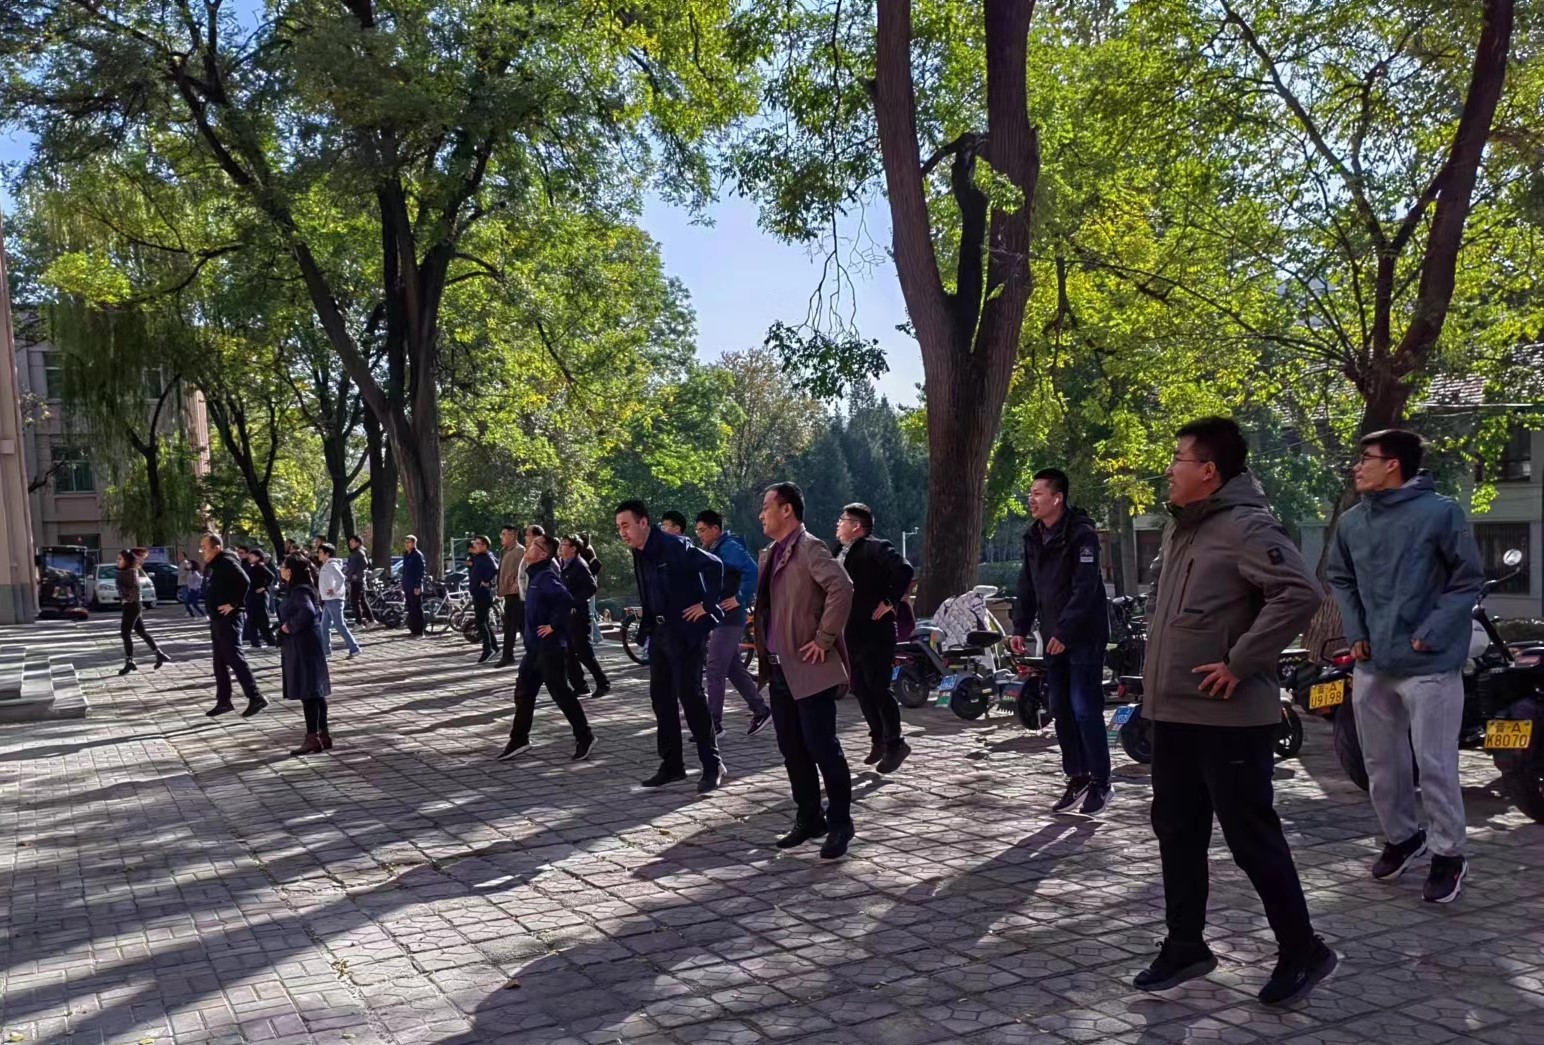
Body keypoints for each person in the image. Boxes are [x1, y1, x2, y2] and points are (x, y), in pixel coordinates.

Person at [1134, 417, 1333, 1007]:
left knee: (1250, 838)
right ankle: (1185, 945)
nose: (1170, 468)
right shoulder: (1184, 529)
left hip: (1229, 719)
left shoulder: (1246, 525)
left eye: (1178, 458)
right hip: (1175, 712)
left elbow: (1300, 592)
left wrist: (1240, 661)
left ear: (1209, 470)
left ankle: (1303, 949)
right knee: (1177, 829)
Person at [1327, 429, 1483, 904]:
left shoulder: (1441, 513)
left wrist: (1432, 631)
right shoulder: (1352, 522)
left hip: (1430, 661)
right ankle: (1402, 837)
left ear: (1393, 464)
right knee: (1381, 763)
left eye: (1365, 459)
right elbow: (1340, 578)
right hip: (1373, 661)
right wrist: (1356, 632)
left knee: (1434, 763)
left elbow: (1467, 581)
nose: (1357, 467)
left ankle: (1448, 853)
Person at [754, 482, 856, 859]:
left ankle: (840, 823)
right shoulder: (770, 553)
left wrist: (824, 638)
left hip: (810, 667)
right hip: (779, 669)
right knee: (792, 750)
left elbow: (842, 588)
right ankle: (809, 817)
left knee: (822, 747)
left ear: (787, 510)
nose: (761, 514)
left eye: (766, 507)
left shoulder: (809, 547)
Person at [1009, 469, 1113, 814]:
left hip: (1083, 636)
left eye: (1038, 493)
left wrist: (1065, 632)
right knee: (1060, 708)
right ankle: (1077, 777)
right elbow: (1027, 585)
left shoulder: (1082, 535)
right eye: (1030, 493)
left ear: (1058, 498)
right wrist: (1020, 627)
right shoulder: (1033, 536)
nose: (1031, 499)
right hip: (1054, 635)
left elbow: (1085, 589)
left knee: (1084, 708)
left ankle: (1101, 782)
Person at [616, 499, 727, 791]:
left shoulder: (674, 545)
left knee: (690, 695)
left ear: (643, 522)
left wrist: (707, 604)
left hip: (686, 632)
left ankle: (712, 765)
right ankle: (672, 765)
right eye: (619, 527)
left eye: (626, 525)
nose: (622, 532)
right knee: (661, 697)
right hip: (660, 633)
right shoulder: (638, 552)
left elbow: (715, 565)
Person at [497, 534, 596, 762]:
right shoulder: (535, 575)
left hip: (549, 648)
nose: (529, 546)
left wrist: (554, 625)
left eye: (535, 545)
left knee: (561, 693)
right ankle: (519, 739)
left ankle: (585, 736)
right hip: (534, 649)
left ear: (543, 554)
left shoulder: (545, 577)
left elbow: (566, 600)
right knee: (523, 693)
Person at [833, 503, 915, 774]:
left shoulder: (875, 547)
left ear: (857, 526)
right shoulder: (837, 551)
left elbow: (904, 570)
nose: (838, 524)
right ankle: (878, 737)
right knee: (859, 687)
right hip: (851, 631)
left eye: (843, 520)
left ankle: (895, 743)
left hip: (876, 631)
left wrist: (890, 600)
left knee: (878, 687)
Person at [695, 510, 773, 737]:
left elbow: (753, 571)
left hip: (729, 618)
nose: (699, 534)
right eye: (698, 530)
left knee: (714, 669)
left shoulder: (729, 548)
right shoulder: (714, 549)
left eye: (703, 530)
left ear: (716, 529)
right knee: (733, 668)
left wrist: (739, 598)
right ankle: (761, 710)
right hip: (719, 616)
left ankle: (713, 724)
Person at [201, 533, 267, 718]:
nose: (202, 551)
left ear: (216, 548)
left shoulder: (226, 561)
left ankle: (256, 697)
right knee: (219, 662)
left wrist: (233, 604)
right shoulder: (215, 563)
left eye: (205, 547)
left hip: (229, 619)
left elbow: (245, 581)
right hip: (217, 618)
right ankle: (224, 701)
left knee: (235, 658)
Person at [277, 553, 334, 755]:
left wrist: (288, 627)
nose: (280, 569)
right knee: (316, 692)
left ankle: (313, 737)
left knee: (309, 692)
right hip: (307, 642)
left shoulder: (300, 591)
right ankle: (323, 734)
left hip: (302, 644)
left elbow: (307, 612)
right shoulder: (300, 588)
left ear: (290, 571)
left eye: (283, 566)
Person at [558, 535, 610, 697]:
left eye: (565, 544)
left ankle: (603, 683)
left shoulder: (579, 565)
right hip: (567, 614)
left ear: (573, 548)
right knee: (569, 652)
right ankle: (580, 686)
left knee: (583, 652)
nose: (561, 546)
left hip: (578, 615)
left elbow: (591, 587)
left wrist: (574, 602)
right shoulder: (564, 564)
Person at [115, 549, 168, 675]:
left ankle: (129, 662)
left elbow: (134, 589)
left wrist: (124, 596)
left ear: (127, 561)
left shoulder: (131, 572)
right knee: (141, 631)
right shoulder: (125, 572)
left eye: (120, 559)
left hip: (132, 606)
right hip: (133, 605)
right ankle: (159, 654)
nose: (118, 561)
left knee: (125, 633)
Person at [316, 543, 362, 659]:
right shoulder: (327, 565)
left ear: (327, 554)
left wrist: (335, 590)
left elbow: (341, 578)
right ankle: (326, 652)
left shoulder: (331, 565)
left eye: (320, 552)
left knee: (339, 625)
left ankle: (354, 648)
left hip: (334, 600)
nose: (318, 554)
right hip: (328, 600)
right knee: (324, 626)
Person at [468, 536, 501, 663]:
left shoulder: (486, 557)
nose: (474, 545)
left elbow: (494, 568)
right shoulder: (479, 557)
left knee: (480, 622)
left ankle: (487, 649)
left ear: (484, 545)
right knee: (484, 621)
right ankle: (494, 646)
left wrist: (486, 580)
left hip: (483, 594)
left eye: (477, 543)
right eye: (474, 543)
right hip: (478, 593)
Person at [496, 524, 525, 667]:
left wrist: (518, 583)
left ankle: (508, 656)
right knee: (514, 626)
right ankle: (509, 655)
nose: (501, 537)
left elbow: (525, 570)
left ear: (513, 535)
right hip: (507, 593)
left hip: (516, 595)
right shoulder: (504, 551)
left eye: (504, 534)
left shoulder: (520, 551)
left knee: (513, 626)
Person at [244, 549, 279, 648]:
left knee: (262, 620)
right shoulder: (252, 567)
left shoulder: (260, 566)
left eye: (252, 556)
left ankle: (271, 641)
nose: (250, 558)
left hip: (259, 597)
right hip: (251, 596)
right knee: (252, 620)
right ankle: (255, 643)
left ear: (258, 557)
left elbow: (271, 576)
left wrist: (264, 587)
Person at [345, 535, 375, 627]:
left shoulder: (359, 552)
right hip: (357, 580)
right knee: (362, 600)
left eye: (352, 541)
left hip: (357, 581)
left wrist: (356, 575)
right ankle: (371, 620)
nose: (350, 543)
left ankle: (359, 622)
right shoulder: (356, 552)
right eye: (350, 541)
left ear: (358, 543)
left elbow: (364, 565)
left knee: (355, 601)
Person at [400, 535, 427, 636]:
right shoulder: (406, 555)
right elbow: (405, 571)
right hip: (407, 585)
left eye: (409, 542)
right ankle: (413, 630)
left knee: (417, 608)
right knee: (411, 608)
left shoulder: (417, 555)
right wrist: (403, 583)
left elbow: (420, 572)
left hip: (414, 586)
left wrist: (418, 586)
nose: (406, 544)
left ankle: (419, 631)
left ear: (414, 543)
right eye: (406, 542)